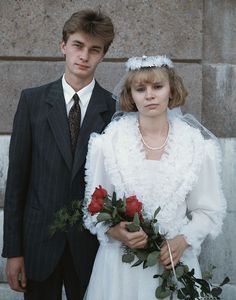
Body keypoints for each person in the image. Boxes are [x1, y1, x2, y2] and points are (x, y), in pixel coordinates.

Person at [83, 55, 226, 299]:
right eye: (141, 89)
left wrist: (184, 239)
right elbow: (94, 208)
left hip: (174, 265)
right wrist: (116, 231)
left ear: (171, 90)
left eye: (157, 87)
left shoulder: (196, 146)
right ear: (130, 94)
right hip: (120, 268)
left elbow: (209, 211)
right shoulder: (108, 143)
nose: (149, 95)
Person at [2, 9, 115, 300]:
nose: (84, 56)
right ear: (63, 45)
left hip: (92, 247)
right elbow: (16, 182)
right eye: (78, 45)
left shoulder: (114, 109)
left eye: (94, 50)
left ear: (103, 55)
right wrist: (13, 251)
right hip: (39, 242)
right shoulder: (32, 101)